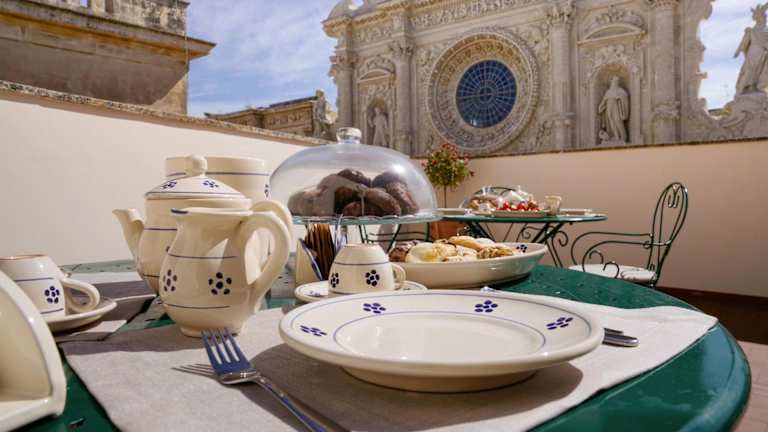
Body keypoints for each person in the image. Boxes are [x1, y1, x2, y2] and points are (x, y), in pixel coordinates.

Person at [598, 76, 629, 144]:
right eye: (614, 81)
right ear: (611, 82)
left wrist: (619, 98)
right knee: (611, 122)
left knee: (618, 121)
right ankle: (617, 137)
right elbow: (604, 100)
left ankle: (623, 137)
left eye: (617, 81)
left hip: (616, 108)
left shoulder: (620, 91)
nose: (615, 82)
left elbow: (624, 97)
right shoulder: (608, 91)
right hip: (609, 109)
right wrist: (600, 106)